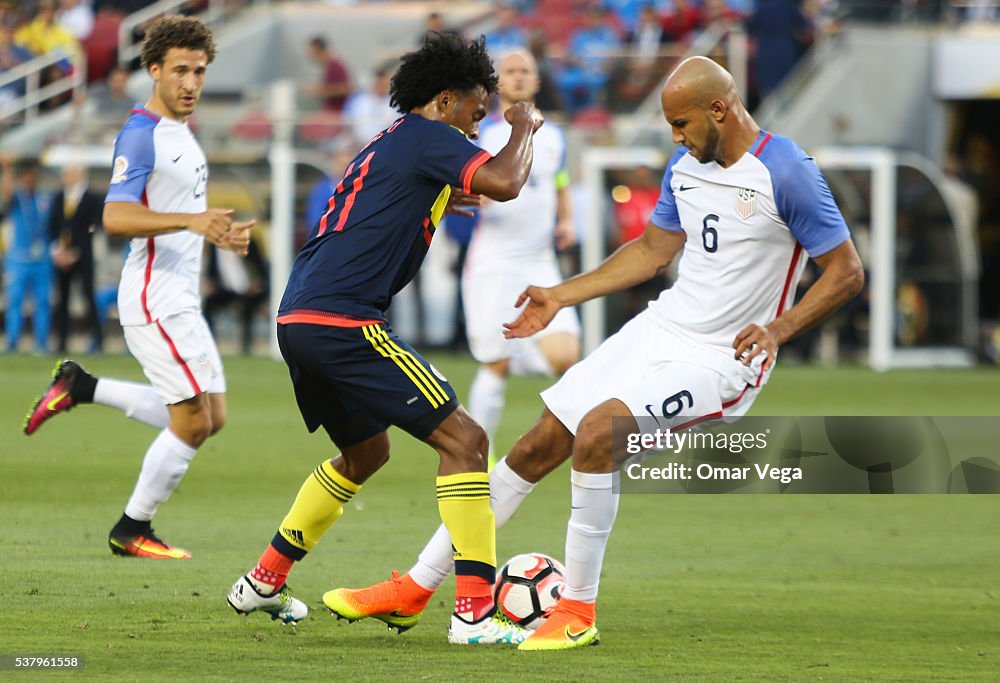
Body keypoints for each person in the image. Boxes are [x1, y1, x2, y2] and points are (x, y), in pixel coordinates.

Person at [330, 56, 865, 651]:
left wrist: (779, 329)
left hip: (723, 359)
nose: (676, 137)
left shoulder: (785, 170)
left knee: (600, 432)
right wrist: (560, 295)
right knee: (537, 443)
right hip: (661, 327)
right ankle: (416, 586)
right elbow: (650, 252)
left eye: (682, 124)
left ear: (720, 108)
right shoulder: (686, 165)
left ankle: (577, 609)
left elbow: (846, 271)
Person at [225, 32, 544, 646]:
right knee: (468, 441)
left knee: (367, 453)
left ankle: (264, 581)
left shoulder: (396, 142)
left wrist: (433, 199)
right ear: (447, 100)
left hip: (299, 319)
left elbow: (387, 197)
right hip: (345, 320)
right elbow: (505, 182)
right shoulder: (431, 138)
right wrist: (523, 126)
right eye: (478, 113)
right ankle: (474, 615)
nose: (478, 128)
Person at [23, 17, 253, 562]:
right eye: (179, 70)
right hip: (154, 297)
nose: (191, 82)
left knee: (211, 418)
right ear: (153, 70)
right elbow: (118, 215)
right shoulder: (141, 133)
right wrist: (192, 222)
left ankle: (81, 387)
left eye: (199, 71)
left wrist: (214, 231)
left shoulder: (183, 131)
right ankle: (132, 527)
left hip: (180, 295)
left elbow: (179, 212)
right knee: (192, 423)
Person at [462, 49, 579, 461]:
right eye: (509, 71)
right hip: (494, 262)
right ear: (498, 85)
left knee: (567, 356)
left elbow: (559, 181)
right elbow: (466, 190)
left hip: (540, 261)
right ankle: (478, 453)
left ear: (536, 80)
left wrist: (566, 220)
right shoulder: (484, 134)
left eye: (524, 70)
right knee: (495, 363)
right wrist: (475, 198)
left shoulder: (555, 136)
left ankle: (567, 442)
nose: (517, 77)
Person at [48, 163, 104, 353]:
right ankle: (61, 342)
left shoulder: (92, 198)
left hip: (83, 256)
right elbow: (52, 226)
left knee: (88, 296)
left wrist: (76, 251)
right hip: (61, 257)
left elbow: (94, 226)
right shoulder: (58, 197)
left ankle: (97, 340)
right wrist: (58, 250)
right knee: (62, 300)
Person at [1, 155, 54, 353]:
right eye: (26, 178)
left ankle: (42, 343)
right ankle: (12, 342)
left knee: (42, 303)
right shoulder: (17, 199)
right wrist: (7, 169)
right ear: (21, 180)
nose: (30, 181)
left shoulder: (44, 198)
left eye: (33, 178)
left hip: (41, 261)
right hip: (18, 260)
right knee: (15, 302)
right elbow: (5, 193)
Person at [306, 36, 351, 112]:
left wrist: (319, 91)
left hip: (336, 113)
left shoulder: (335, 66)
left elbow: (345, 89)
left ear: (317, 49)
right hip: (329, 112)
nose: (309, 55)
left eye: (311, 52)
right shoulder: (328, 66)